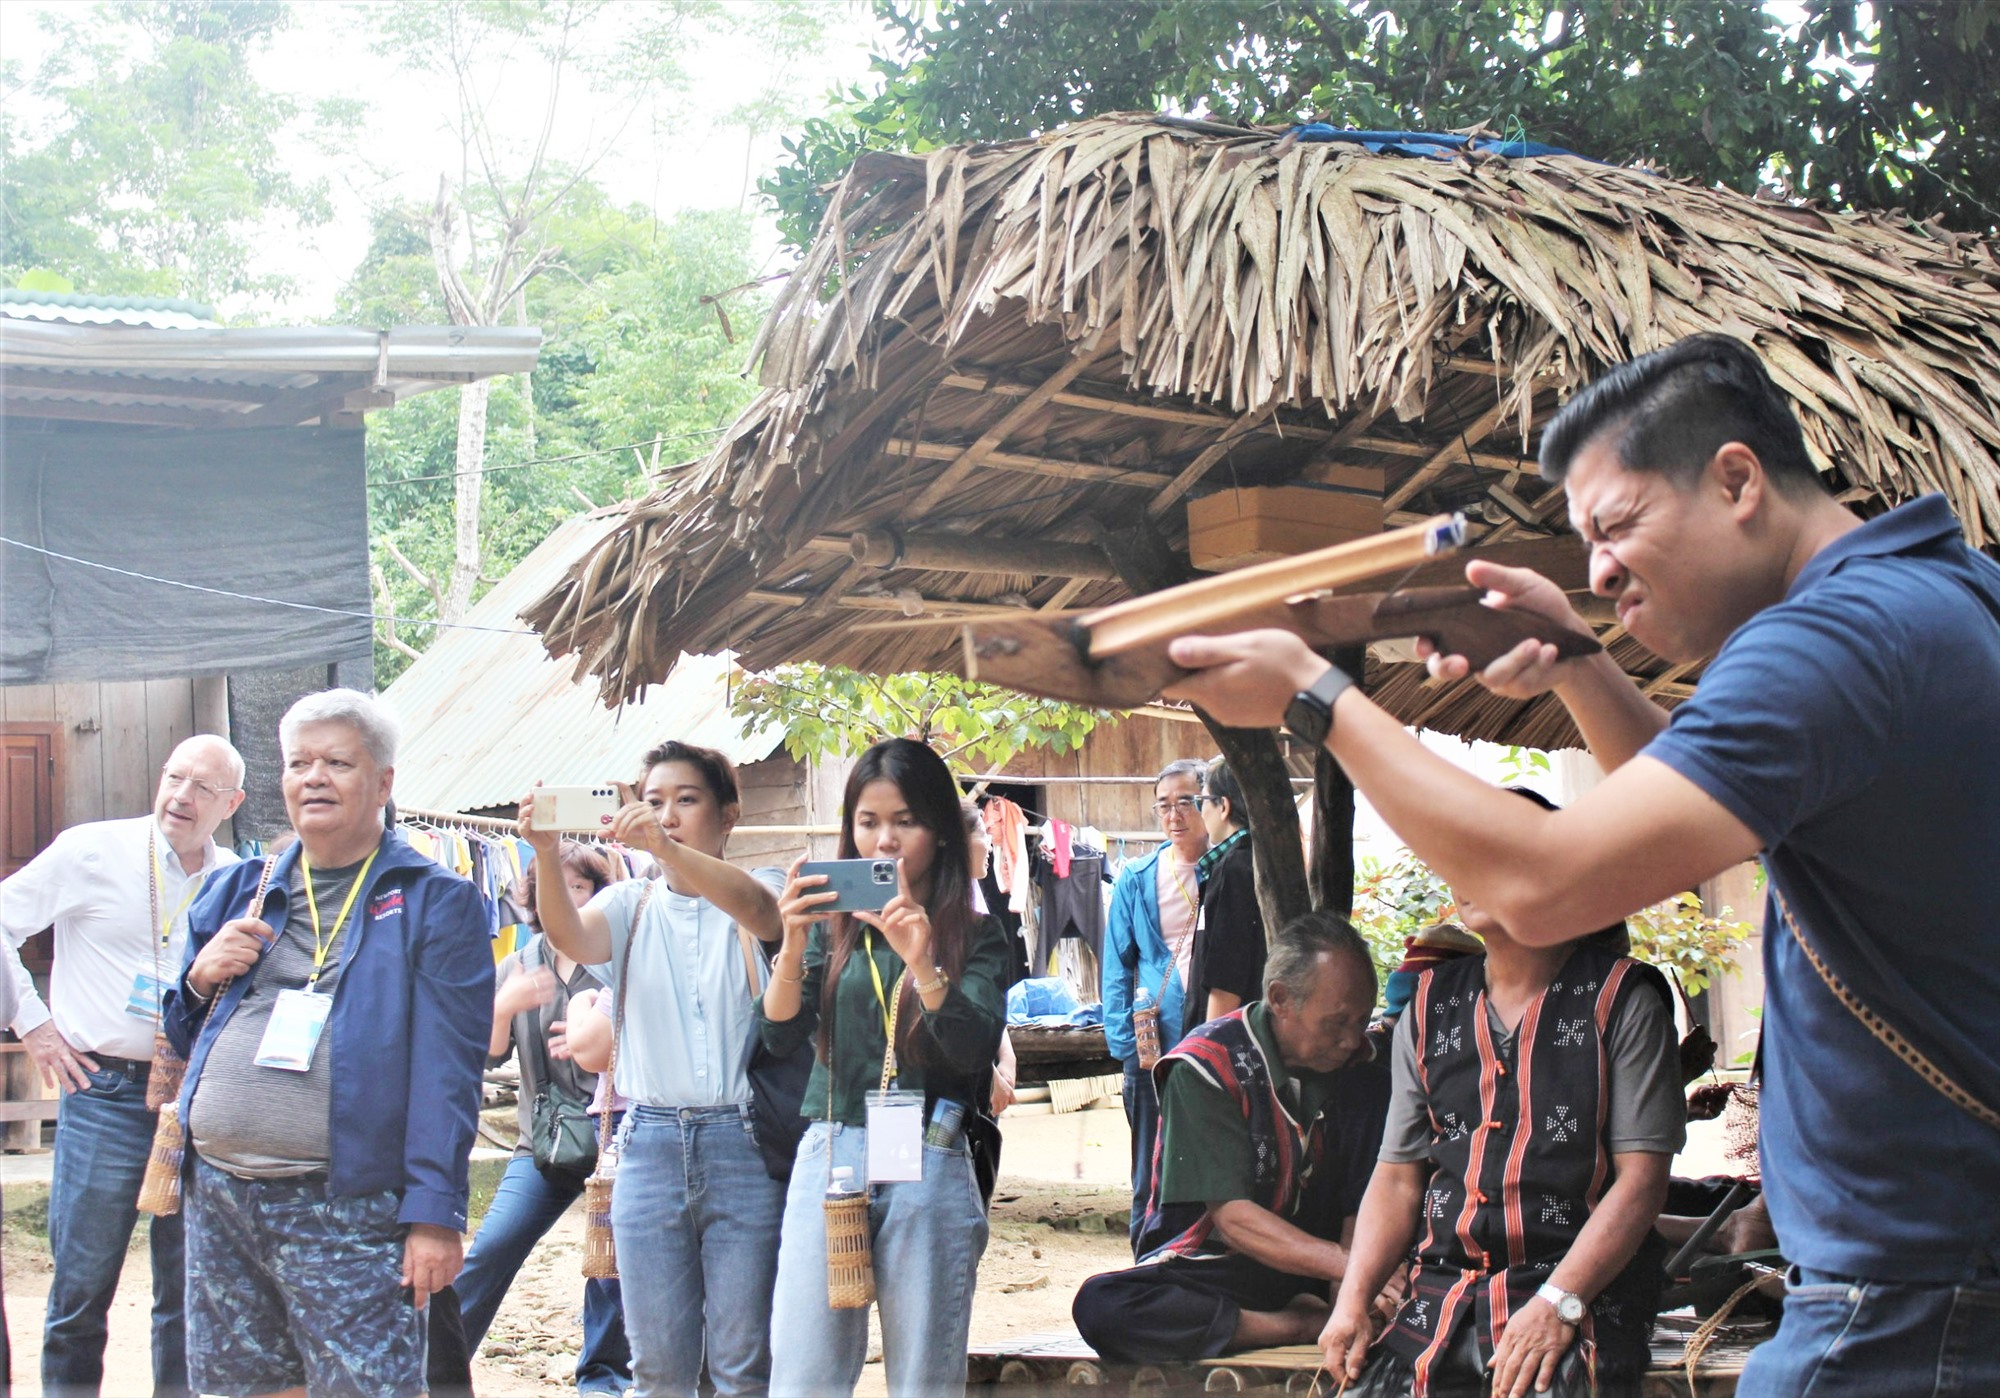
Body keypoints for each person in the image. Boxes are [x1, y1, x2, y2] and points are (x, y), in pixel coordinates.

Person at [1162, 333, 2000, 1395]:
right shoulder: (1939, 591)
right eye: (1582, 541)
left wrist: (1314, 697)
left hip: (1908, 1295)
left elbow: (1545, 885)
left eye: (1617, 525)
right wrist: (1575, 656)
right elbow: (1697, 802)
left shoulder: (1828, 640)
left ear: (1735, 479)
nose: (1598, 569)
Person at [166, 690, 490, 1398]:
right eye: (298, 763)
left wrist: (435, 1215)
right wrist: (197, 979)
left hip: (347, 1203)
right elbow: (182, 1029)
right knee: (240, 1387)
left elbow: (449, 1072)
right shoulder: (234, 891)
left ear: (383, 781)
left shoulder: (436, 900)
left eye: (337, 762)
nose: (313, 777)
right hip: (220, 1193)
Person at [1321, 791, 1684, 1398]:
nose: (1467, 868)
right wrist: (1353, 1301)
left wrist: (1560, 1304)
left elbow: (1641, 1181)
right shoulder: (1430, 1006)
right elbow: (1398, 1175)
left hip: (1580, 1289)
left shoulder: (1624, 1000)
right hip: (1440, 1294)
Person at [521, 740, 787, 1398]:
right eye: (656, 802)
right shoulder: (629, 905)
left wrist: (666, 850)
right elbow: (569, 938)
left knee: (741, 1365)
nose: (667, 815)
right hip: (649, 1144)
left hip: (744, 1142)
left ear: (728, 817)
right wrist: (546, 854)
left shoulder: (761, 890)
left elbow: (762, 914)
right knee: (658, 1369)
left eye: (686, 801)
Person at [760, 738, 1010, 1397]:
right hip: (833, 1146)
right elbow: (777, 1036)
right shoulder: (831, 925)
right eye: (867, 822)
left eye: (905, 820)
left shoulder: (977, 935)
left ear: (940, 831)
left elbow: (969, 1049)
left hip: (931, 1146)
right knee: (803, 1373)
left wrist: (923, 961)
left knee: (925, 1376)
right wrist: (790, 941)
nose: (884, 841)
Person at [0, 734, 246, 1397]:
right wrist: (34, 1023)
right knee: (81, 1290)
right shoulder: (93, 850)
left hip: (193, 1099)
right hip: (103, 1092)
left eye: (202, 788)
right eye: (174, 777)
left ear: (232, 803)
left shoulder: (234, 881)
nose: (181, 796)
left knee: (185, 1294)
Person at [1072, 912, 1390, 1362]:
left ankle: (1317, 1312)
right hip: (1223, 1269)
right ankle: (1293, 1325)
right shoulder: (1205, 1067)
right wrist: (1352, 1270)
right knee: (1103, 1306)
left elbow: (1362, 1202)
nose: (1350, 1039)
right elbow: (1235, 1221)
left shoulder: (1364, 1072)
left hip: (1325, 1272)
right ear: (1280, 999)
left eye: (1360, 1021)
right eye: (1336, 1023)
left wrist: (1352, 1297)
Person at [455, 840, 632, 1394]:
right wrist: (503, 1006)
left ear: (598, 895)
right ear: (533, 898)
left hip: (615, 1143)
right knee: (493, 1245)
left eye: (578, 887)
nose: (566, 897)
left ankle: (601, 1379)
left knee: (609, 1266)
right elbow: (485, 1055)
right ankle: (436, 1362)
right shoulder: (519, 962)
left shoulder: (614, 962)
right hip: (542, 1142)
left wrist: (591, 1040)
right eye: (554, 887)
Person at [1101, 758, 1210, 1253]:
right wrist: (1127, 1046)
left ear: (1210, 804)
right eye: (1164, 805)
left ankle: (1204, 1259)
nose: (1174, 815)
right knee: (1149, 1163)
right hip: (1153, 1046)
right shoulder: (1138, 878)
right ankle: (1147, 1259)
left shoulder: (1230, 870)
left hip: (1213, 1045)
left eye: (1186, 802)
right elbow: (1117, 966)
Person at [1187, 758, 1265, 1026]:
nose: (1201, 812)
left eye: (1202, 802)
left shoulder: (1233, 868)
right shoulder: (1258, 860)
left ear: (1223, 806)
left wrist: (1206, 1050)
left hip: (1229, 1037)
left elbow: (1226, 975)